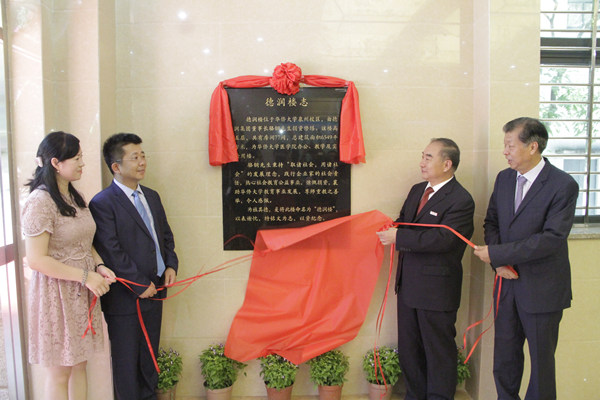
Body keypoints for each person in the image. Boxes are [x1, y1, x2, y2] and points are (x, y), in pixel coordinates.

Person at [473, 117, 578, 400]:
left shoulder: (562, 185)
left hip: (542, 288)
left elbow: (551, 239)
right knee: (504, 358)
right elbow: (491, 222)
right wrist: (498, 263)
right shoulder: (504, 178)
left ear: (533, 147)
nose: (505, 151)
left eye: (510, 145)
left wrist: (497, 254)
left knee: (541, 365)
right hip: (506, 284)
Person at [21, 131, 116, 400]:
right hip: (56, 296)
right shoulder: (39, 201)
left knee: (80, 365)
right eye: (76, 158)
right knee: (60, 373)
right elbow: (37, 259)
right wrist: (85, 276)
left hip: (80, 293)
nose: (82, 163)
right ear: (55, 163)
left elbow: (85, 242)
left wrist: (99, 266)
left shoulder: (74, 196)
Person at [377, 138, 474, 400]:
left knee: (438, 352)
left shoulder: (461, 199)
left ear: (447, 164)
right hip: (408, 286)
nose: (422, 162)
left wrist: (399, 237)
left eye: (428, 157)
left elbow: (444, 239)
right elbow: (405, 222)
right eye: (422, 156)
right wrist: (389, 227)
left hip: (436, 291)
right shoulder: (417, 190)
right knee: (410, 350)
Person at [89, 133, 178, 400]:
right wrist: (139, 284)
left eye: (143, 155)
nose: (142, 162)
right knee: (127, 364)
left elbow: (165, 236)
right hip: (125, 298)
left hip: (155, 290)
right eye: (134, 157)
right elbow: (111, 250)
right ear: (116, 166)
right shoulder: (102, 203)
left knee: (149, 359)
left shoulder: (152, 196)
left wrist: (170, 264)